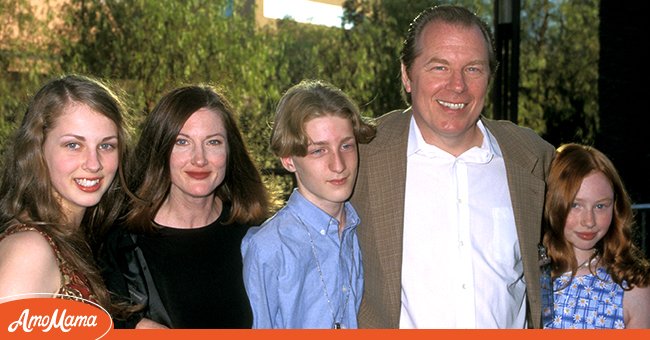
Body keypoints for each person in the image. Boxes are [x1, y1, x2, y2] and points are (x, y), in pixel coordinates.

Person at [350, 5, 556, 328]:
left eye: (473, 69)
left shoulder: (532, 158)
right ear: (407, 75)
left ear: (489, 76)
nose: (457, 86)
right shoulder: (360, 155)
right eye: (439, 68)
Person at [99, 84, 269, 329]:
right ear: (160, 149)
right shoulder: (121, 246)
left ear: (230, 151)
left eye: (213, 142)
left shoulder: (256, 236)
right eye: (182, 142)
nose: (199, 159)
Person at [241, 79, 376, 329]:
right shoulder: (269, 248)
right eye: (318, 151)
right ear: (288, 160)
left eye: (346, 146)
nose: (339, 165)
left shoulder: (357, 228)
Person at [0, 74, 129, 311]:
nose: (94, 164)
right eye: (73, 145)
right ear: (37, 149)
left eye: (106, 145)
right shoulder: (29, 251)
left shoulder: (73, 240)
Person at [541, 143, 650, 329]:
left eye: (600, 206)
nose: (589, 221)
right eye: (576, 205)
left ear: (616, 208)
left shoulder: (633, 287)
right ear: (553, 204)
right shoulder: (525, 276)